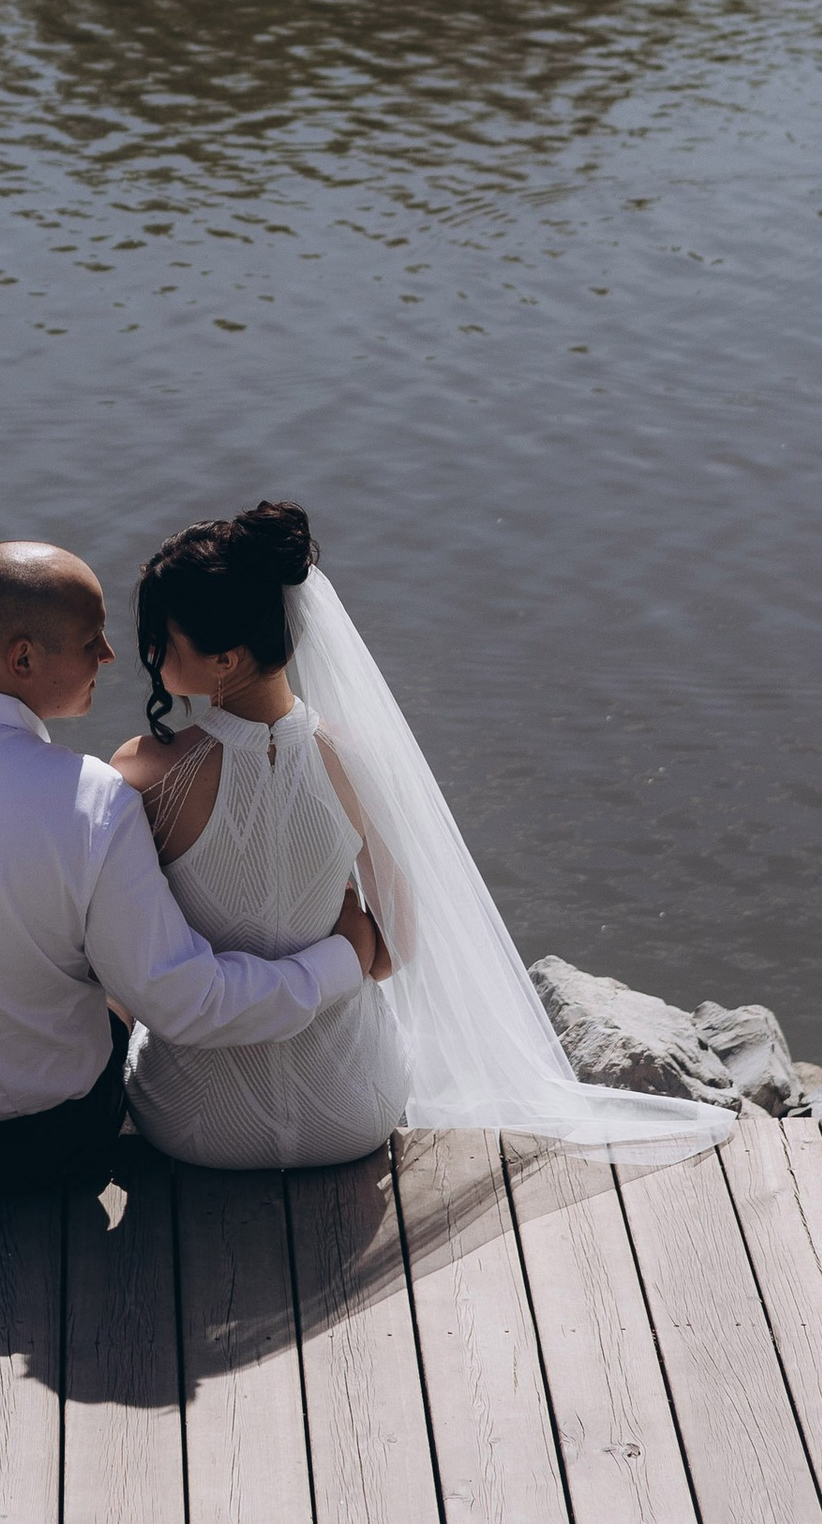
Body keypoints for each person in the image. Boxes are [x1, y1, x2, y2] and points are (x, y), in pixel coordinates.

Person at [0, 536, 392, 1198]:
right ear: (23, 658)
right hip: (40, 1154)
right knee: (114, 988)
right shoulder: (90, 801)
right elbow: (189, 1004)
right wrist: (343, 958)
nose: (111, 655)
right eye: (92, 640)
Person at [113, 501, 733, 1171]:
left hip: (196, 1125)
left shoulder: (145, 772)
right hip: (352, 1113)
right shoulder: (354, 759)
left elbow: (128, 959)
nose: (147, 654)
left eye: (161, 639)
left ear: (225, 659)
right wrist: (348, 943)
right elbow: (398, 945)